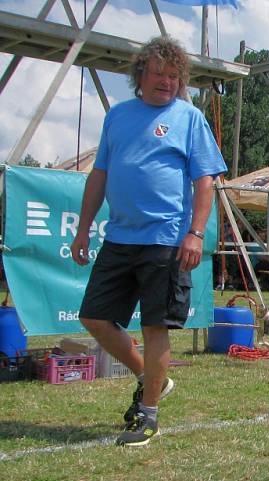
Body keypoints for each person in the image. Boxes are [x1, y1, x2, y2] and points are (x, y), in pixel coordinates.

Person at [70, 36, 226, 447]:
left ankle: (149, 416)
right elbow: (99, 176)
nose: (167, 82)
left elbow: (205, 181)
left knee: (156, 325)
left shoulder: (189, 117)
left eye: (175, 76)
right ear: (140, 74)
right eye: (159, 73)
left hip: (168, 241)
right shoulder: (117, 116)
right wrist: (84, 228)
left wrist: (195, 233)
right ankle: (149, 376)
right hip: (119, 237)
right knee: (94, 316)